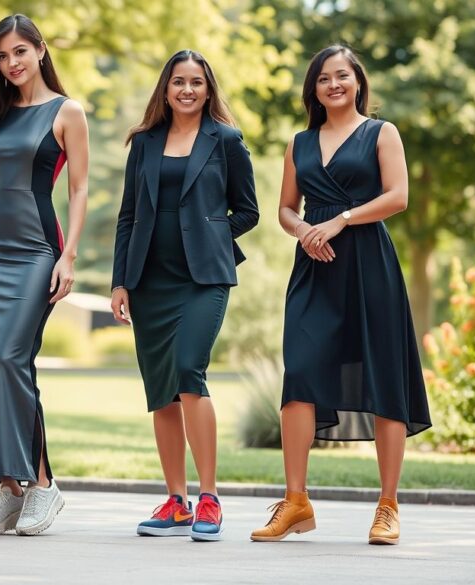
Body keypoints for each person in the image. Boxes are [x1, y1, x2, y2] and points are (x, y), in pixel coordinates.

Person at [250, 45, 431, 545]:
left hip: (369, 263)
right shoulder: (299, 143)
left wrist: (341, 220)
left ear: (357, 82)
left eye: (342, 76)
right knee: (301, 373)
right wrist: (306, 230)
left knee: (384, 375)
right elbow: (285, 208)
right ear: (313, 88)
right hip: (315, 268)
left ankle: (388, 505)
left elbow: (398, 196)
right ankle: (296, 502)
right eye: (323, 78)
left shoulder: (381, 132)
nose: (333, 84)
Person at [111, 50, 259, 542]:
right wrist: (120, 281)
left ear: (208, 88)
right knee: (161, 388)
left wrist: (211, 236)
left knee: (189, 369)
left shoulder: (227, 141)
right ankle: (176, 501)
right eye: (179, 81)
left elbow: (248, 211)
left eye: (197, 82)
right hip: (149, 280)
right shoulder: (145, 143)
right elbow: (129, 216)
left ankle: (210, 498)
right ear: (166, 88)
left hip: (203, 279)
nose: (188, 90)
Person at [0, 13, 89, 536]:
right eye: (3, 56)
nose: (11, 63)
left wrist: (69, 255)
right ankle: (10, 492)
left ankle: (44, 487)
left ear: (40, 50)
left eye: (20, 53)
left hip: (36, 252)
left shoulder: (66, 111)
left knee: (13, 359)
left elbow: (78, 189)